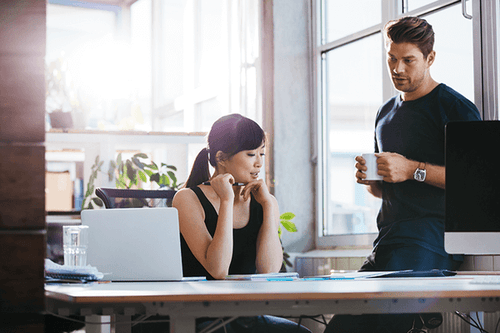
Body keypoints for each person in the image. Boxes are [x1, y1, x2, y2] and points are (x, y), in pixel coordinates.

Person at [324, 16, 481, 333]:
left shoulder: (456, 108)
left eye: (408, 60)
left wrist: (411, 169)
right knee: (339, 327)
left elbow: (475, 183)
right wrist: (373, 182)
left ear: (430, 58)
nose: (397, 69)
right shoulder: (384, 114)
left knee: (384, 322)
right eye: (391, 59)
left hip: (431, 243)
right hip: (387, 241)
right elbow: (386, 192)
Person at [172, 113, 312, 333]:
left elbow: (268, 271)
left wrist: (267, 206)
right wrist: (227, 200)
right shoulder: (187, 199)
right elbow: (218, 270)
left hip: (247, 315)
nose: (259, 163)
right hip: (198, 316)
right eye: (250, 154)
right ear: (221, 157)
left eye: (262, 154)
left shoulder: (264, 201)